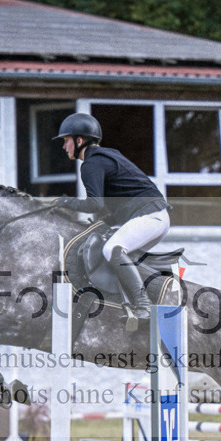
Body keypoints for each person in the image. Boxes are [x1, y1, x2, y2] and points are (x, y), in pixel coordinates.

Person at [52, 112, 171, 320]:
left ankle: (143, 305)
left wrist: (64, 202)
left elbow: (94, 204)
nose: (64, 147)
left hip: (150, 217)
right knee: (118, 256)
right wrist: (103, 222)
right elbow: (121, 205)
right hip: (154, 216)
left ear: (79, 141)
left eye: (66, 141)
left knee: (112, 250)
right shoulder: (106, 156)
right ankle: (133, 303)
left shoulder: (91, 164)